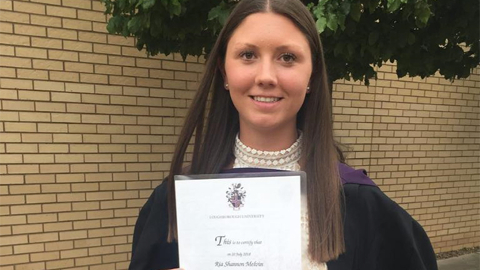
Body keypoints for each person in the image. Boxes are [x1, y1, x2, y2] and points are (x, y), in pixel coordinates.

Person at [128, 0, 438, 269]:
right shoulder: (174, 204)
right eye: (248, 55)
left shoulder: (359, 205)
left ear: (312, 76)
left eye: (287, 57)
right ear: (224, 72)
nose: (266, 76)